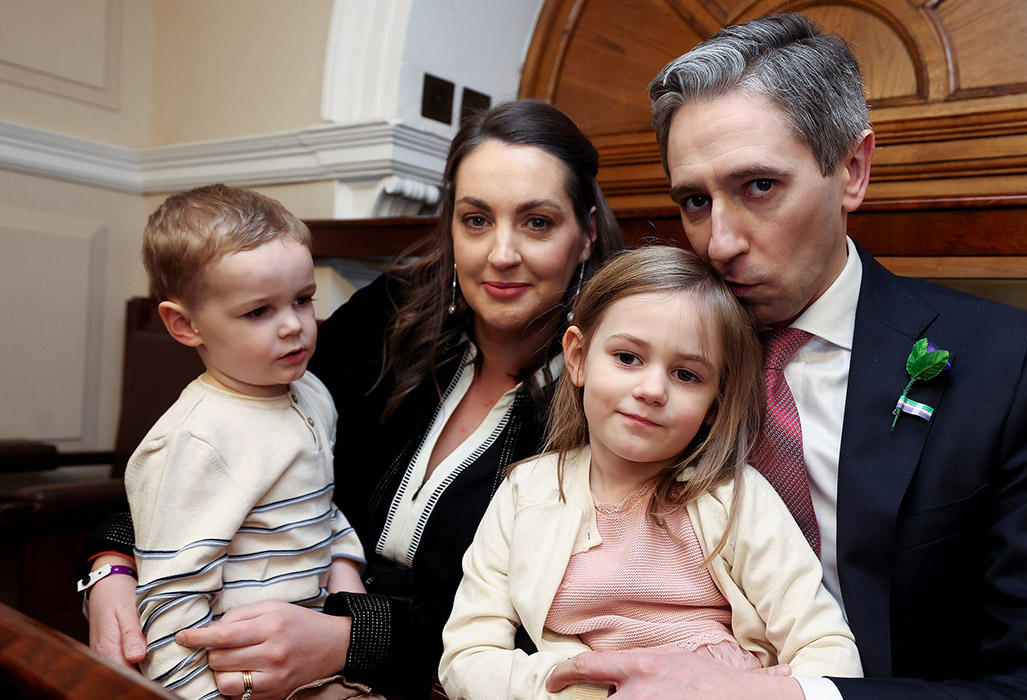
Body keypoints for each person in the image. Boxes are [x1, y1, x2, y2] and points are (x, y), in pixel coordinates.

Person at [545, 13, 1027, 700]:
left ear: (851, 170)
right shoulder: (653, 367)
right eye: (694, 201)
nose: (718, 242)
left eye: (758, 187)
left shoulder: (1005, 366)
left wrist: (787, 697)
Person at [77, 99, 624, 700]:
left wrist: (349, 639)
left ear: (586, 234)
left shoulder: (618, 390)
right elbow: (226, 441)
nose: (500, 253)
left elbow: (566, 627)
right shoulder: (387, 316)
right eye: (475, 220)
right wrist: (112, 562)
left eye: (537, 222)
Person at [439, 246, 862, 700]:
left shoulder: (736, 499)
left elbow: (829, 649)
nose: (652, 390)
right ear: (578, 358)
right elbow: (466, 657)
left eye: (686, 374)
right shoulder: (526, 494)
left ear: (713, 404)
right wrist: (586, 689)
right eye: (627, 358)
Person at [120, 184, 369, 700]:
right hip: (232, 678)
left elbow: (319, 503)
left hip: (311, 660)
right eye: (259, 311)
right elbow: (171, 604)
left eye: (303, 300)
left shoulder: (312, 393)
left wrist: (348, 577)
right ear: (184, 325)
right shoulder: (197, 440)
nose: (294, 327)